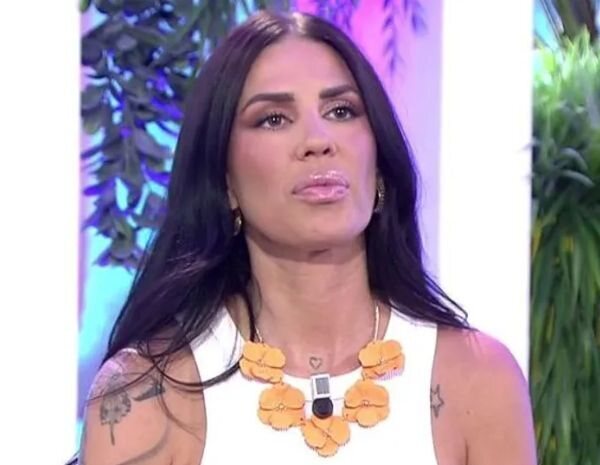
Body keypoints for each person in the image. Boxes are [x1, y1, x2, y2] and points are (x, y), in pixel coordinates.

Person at [79, 10, 537, 465]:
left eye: (341, 111)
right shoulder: (145, 395)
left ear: (378, 166)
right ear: (225, 182)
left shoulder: (478, 380)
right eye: (274, 119)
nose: (318, 140)